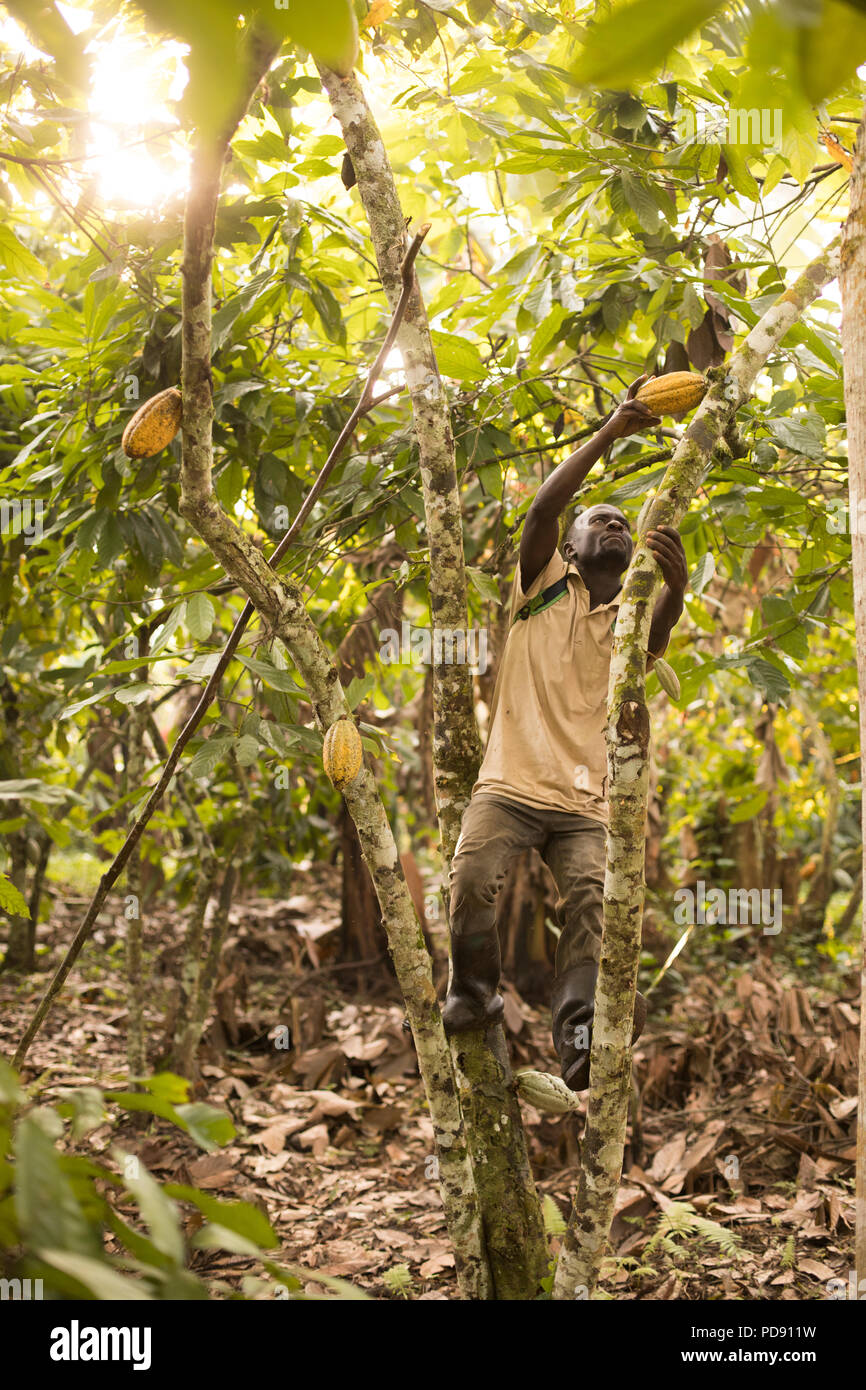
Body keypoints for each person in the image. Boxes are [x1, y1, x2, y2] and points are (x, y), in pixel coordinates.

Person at [441, 376, 689, 1090]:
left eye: (622, 523)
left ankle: (578, 1029)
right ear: (571, 548)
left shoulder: (631, 621)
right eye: (598, 521)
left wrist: (674, 589)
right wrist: (613, 430)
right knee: (474, 875)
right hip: (512, 785)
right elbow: (546, 506)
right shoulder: (541, 585)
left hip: (584, 805)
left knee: (596, 899)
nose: (613, 526)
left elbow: (656, 641)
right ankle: (472, 990)